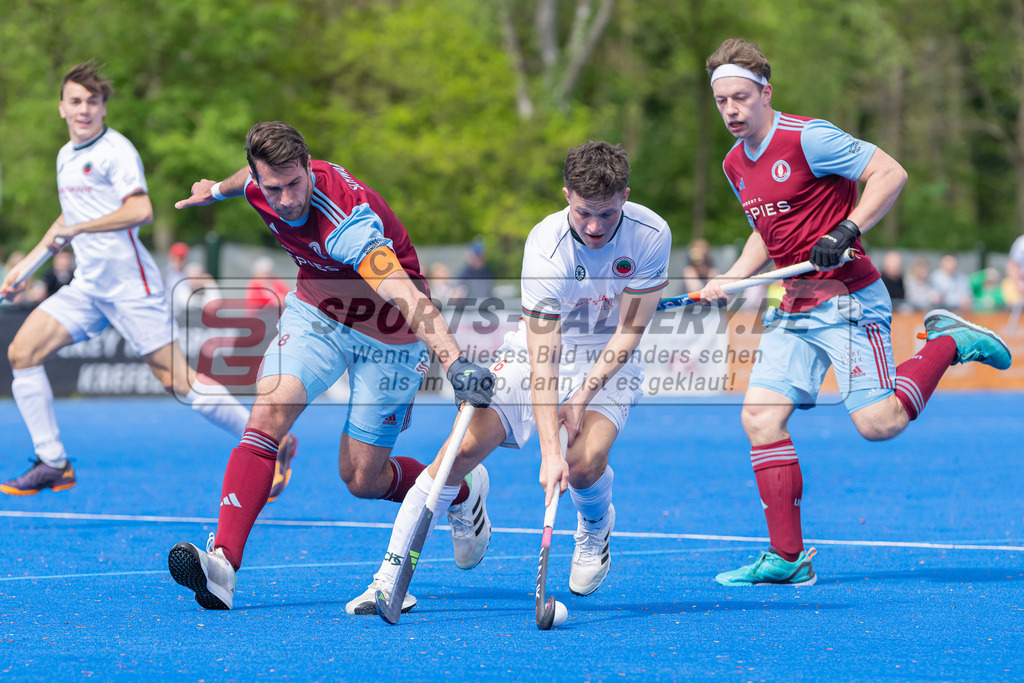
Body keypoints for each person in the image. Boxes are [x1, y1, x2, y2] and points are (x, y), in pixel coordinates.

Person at [701, 39, 1012, 586]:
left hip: (846, 295)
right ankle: (788, 558)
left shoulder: (809, 137)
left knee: (879, 423)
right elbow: (765, 229)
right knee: (759, 418)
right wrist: (733, 278)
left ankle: (949, 344)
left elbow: (890, 173)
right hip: (794, 303)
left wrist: (847, 229)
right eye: (722, 100)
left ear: (765, 93)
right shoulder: (733, 164)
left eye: (741, 97)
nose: (730, 109)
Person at [167, 121, 495, 612]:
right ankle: (224, 565)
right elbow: (246, 180)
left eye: (294, 184)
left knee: (363, 480)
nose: (284, 199)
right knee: (267, 414)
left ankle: (461, 490)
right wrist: (214, 191)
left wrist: (454, 361)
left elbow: (403, 292)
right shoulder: (263, 183)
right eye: (272, 187)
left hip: (391, 333)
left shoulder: (347, 222)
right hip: (316, 313)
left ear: (308, 167)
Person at [347, 141, 671, 615]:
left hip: (606, 355)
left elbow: (629, 331)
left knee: (583, 464)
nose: (595, 227)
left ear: (625, 195)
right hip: (534, 351)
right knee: (457, 452)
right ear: (566, 196)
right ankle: (388, 579)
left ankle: (595, 527)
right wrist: (549, 451)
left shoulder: (651, 233)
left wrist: (580, 398)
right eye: (584, 213)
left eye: (605, 213)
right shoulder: (545, 245)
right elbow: (545, 358)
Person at [0, 61, 296, 499]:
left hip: (130, 286)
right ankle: (54, 462)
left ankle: (272, 442)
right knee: (21, 353)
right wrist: (25, 269)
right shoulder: (66, 157)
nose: (84, 109)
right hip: (89, 287)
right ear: (61, 107)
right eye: (76, 101)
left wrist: (80, 229)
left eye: (93, 102)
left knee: (177, 382)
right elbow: (69, 219)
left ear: (103, 107)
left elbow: (141, 211)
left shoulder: (116, 151)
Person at [164, 241, 190, 307]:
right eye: (176, 258)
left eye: (182, 258)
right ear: (170, 257)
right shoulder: (166, 273)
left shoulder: (186, 273)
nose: (179, 261)